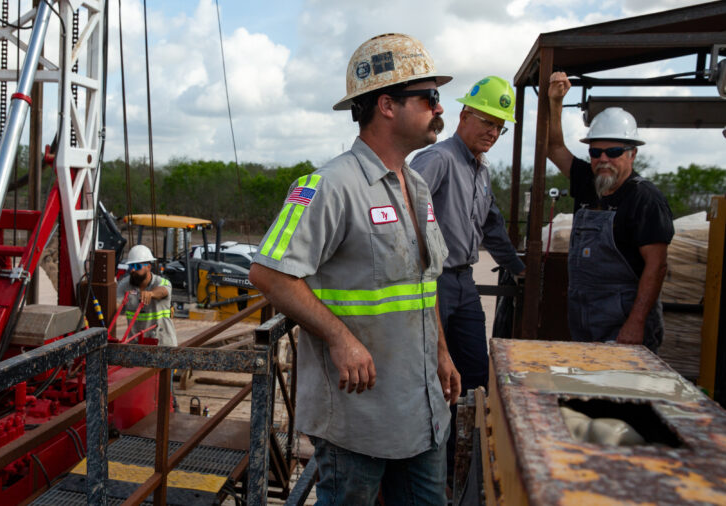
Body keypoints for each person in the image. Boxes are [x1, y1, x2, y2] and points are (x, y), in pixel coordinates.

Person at [248, 33, 460, 504]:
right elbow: (268, 273)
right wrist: (341, 338)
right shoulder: (329, 186)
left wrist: (441, 353)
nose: (438, 110)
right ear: (387, 105)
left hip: (421, 409)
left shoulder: (418, 186)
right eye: (429, 97)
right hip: (358, 419)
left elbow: (424, 286)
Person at [410, 75, 525, 395]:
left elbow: (492, 226)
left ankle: (465, 441)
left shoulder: (481, 170)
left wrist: (517, 268)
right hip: (434, 281)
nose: (493, 132)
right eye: (488, 121)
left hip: (464, 281)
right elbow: (405, 211)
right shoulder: (439, 159)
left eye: (500, 127)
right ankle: (434, 442)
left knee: (476, 372)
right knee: (429, 369)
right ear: (463, 116)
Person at [547, 71, 673, 352]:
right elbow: (554, 147)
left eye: (614, 151)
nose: (604, 159)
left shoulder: (645, 199)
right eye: (595, 152)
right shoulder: (588, 183)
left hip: (624, 323)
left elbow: (657, 266)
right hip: (585, 318)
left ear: (632, 154)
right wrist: (555, 102)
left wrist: (636, 322)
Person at [116, 245, 176, 346]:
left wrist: (151, 293)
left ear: (148, 267)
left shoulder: (162, 282)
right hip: (136, 345)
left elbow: (163, 291)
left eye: (137, 266)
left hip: (163, 345)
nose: (133, 270)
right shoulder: (125, 285)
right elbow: (115, 306)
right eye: (131, 266)